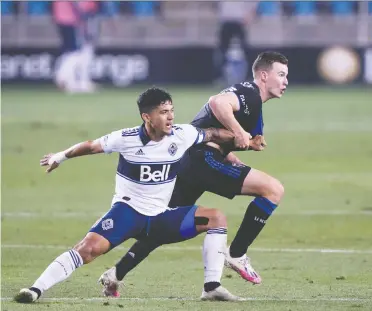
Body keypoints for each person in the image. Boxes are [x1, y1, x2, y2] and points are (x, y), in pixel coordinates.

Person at [13, 87, 251, 303]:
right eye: (163, 112)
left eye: (171, 111)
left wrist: (245, 140)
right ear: (147, 117)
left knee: (216, 218)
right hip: (128, 214)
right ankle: (35, 290)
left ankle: (211, 287)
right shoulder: (126, 138)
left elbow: (212, 134)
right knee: (86, 250)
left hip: (161, 218)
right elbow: (91, 145)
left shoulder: (183, 134)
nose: (170, 117)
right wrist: (60, 156)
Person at [100, 51, 289, 296]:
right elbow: (216, 103)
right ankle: (237, 253)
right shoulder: (250, 93)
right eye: (281, 74)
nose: (286, 81)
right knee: (273, 189)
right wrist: (240, 132)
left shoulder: (252, 101)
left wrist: (232, 154)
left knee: (161, 225)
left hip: (191, 161)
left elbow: (208, 126)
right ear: (264, 75)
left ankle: (116, 274)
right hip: (203, 160)